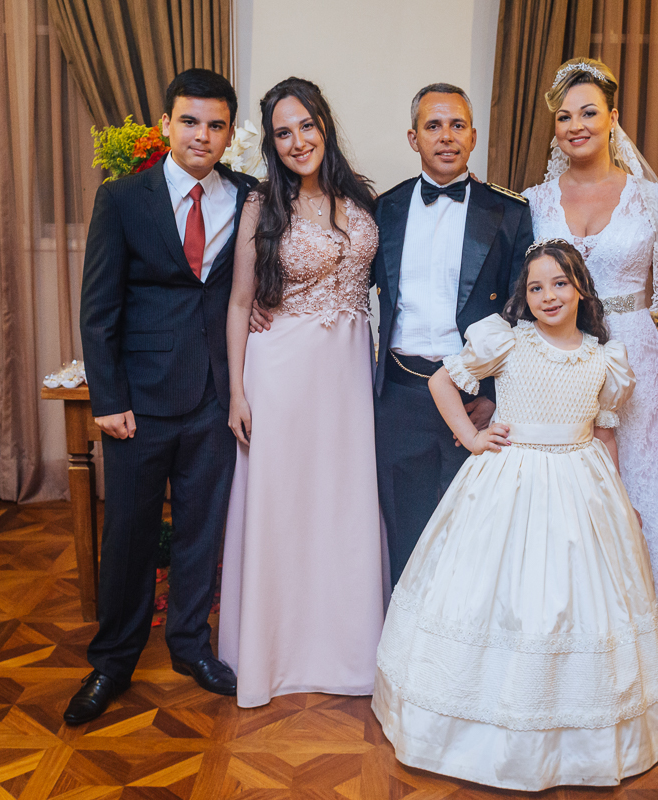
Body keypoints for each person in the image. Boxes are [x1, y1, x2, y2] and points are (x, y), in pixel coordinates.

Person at [373, 239, 658, 790]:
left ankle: (572, 738)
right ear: (524, 297)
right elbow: (443, 379)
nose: (548, 295)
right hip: (509, 482)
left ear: (580, 287)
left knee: (578, 608)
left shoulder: (606, 358)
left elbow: (605, 432)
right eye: (535, 287)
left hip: (582, 489)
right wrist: (470, 436)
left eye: (559, 283)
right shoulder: (507, 342)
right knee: (498, 599)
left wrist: (620, 501)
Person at [68, 69, 257, 725]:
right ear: (166, 124)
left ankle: (189, 647)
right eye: (189, 121)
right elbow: (98, 310)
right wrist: (108, 397)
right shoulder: (122, 198)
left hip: (214, 394)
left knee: (202, 532)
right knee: (128, 533)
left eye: (214, 125)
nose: (201, 135)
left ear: (229, 133)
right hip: (139, 402)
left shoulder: (249, 198)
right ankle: (112, 661)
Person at [521, 58, 658, 686]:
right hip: (558, 362)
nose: (576, 125)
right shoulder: (536, 201)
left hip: (634, 360)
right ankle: (564, 653)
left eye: (588, 112)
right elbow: (523, 290)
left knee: (632, 497)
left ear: (613, 118)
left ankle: (641, 653)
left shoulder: (648, 199)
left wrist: (648, 350)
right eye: (564, 116)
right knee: (566, 496)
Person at [219, 78, 385, 707]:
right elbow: (240, 303)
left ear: (325, 125)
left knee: (341, 504)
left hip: (346, 377)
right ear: (271, 143)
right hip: (282, 370)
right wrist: (237, 392)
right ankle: (277, 653)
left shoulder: (361, 197)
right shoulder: (263, 205)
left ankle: (344, 648)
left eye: (306, 125)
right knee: (284, 508)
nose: (297, 142)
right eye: (283, 133)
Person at [372, 83, 534, 586]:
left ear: (474, 136)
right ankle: (403, 656)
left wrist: (492, 395)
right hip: (399, 394)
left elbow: (522, 313)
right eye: (433, 125)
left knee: (473, 539)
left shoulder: (509, 212)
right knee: (404, 532)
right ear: (412, 137)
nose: (446, 137)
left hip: (473, 398)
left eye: (457, 125)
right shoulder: (385, 208)